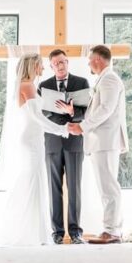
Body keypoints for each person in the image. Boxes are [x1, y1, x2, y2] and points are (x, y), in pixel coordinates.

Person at [0, 54, 74, 245]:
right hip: (31, 140)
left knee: (34, 181)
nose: (43, 69)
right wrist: (61, 129)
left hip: (34, 138)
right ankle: (27, 232)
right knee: (32, 181)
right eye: (40, 65)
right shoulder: (28, 85)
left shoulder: (26, 84)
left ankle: (35, 232)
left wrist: (63, 113)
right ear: (33, 66)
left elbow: (38, 115)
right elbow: (37, 118)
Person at [67, 45, 128, 244]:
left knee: (109, 186)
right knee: (106, 186)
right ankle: (112, 229)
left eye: (90, 59)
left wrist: (82, 127)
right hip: (102, 141)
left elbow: (106, 109)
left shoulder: (109, 79)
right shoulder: (105, 79)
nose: (88, 64)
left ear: (98, 60)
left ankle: (112, 231)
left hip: (105, 140)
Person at [38, 49, 89, 244]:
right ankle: (57, 232)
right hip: (52, 140)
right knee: (54, 187)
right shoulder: (44, 86)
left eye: (64, 61)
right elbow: (44, 113)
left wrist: (72, 111)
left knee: (75, 186)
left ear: (68, 62)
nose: (61, 65)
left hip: (75, 141)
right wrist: (65, 121)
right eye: (57, 63)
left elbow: (86, 112)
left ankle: (76, 232)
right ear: (51, 66)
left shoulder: (81, 82)